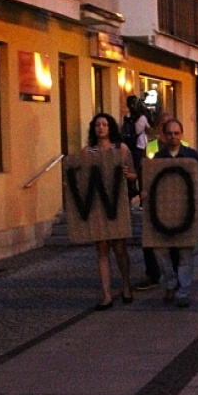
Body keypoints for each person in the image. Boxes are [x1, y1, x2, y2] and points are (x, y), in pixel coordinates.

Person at [135, 118, 198, 307]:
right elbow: (150, 183)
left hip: (185, 210)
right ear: (164, 135)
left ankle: (183, 291)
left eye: (176, 133)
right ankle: (170, 282)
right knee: (160, 250)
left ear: (181, 134)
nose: (173, 137)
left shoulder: (192, 156)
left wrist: (193, 200)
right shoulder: (158, 158)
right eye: (169, 133)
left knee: (185, 251)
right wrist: (145, 193)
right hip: (162, 212)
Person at [80, 113, 137, 310]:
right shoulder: (88, 151)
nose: (101, 128)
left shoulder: (121, 149)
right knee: (101, 249)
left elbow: (133, 175)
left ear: (110, 127)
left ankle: (126, 285)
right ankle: (106, 294)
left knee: (120, 248)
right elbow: (83, 177)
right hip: (97, 205)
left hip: (117, 203)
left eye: (104, 124)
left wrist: (127, 174)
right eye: (98, 125)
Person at [124, 96, 150, 202]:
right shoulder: (142, 117)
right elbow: (147, 128)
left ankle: (132, 191)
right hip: (140, 146)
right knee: (140, 171)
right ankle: (141, 194)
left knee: (131, 169)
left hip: (129, 146)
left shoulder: (127, 116)